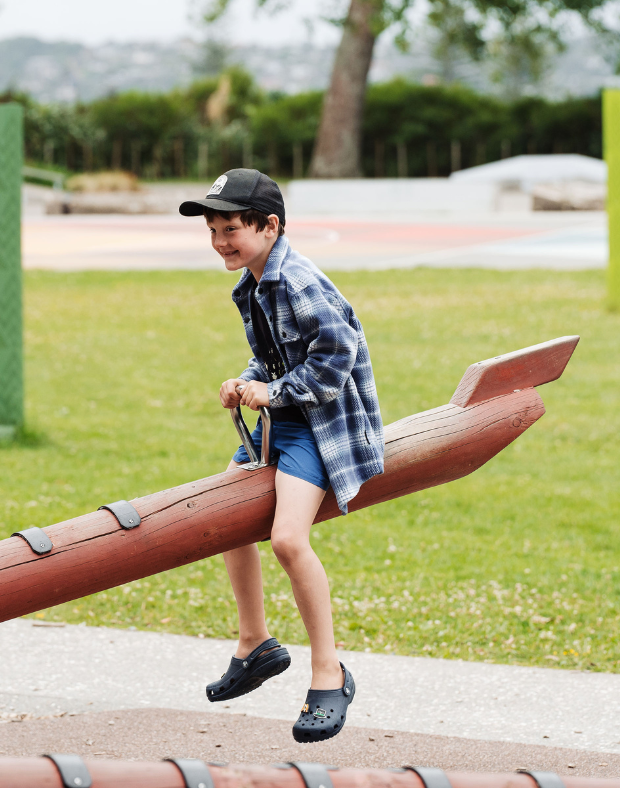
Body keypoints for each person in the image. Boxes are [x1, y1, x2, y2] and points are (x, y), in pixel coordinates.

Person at [178, 169, 384, 743]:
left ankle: (329, 671)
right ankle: (256, 643)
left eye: (232, 228)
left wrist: (276, 392)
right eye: (213, 229)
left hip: (321, 427)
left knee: (289, 539)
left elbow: (335, 351)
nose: (221, 240)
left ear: (269, 226)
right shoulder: (253, 281)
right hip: (282, 424)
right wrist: (246, 381)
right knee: (227, 520)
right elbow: (275, 357)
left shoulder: (296, 280)